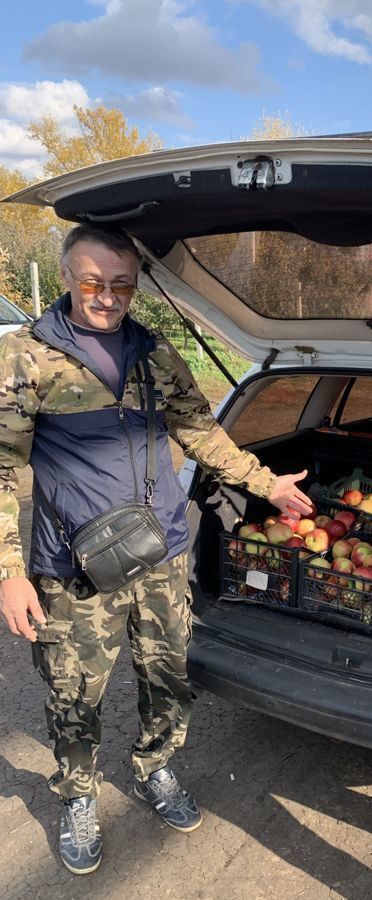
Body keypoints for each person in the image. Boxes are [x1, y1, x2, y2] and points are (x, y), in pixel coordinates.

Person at [0, 224, 313, 876]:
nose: (107, 297)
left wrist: (266, 483)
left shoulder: (154, 353)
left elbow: (202, 432)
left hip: (163, 553)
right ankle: (78, 794)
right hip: (73, 569)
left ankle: (153, 768)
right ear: (65, 277)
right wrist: (9, 574)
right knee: (72, 692)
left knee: (169, 680)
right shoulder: (25, 360)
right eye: (92, 282)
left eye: (121, 285)